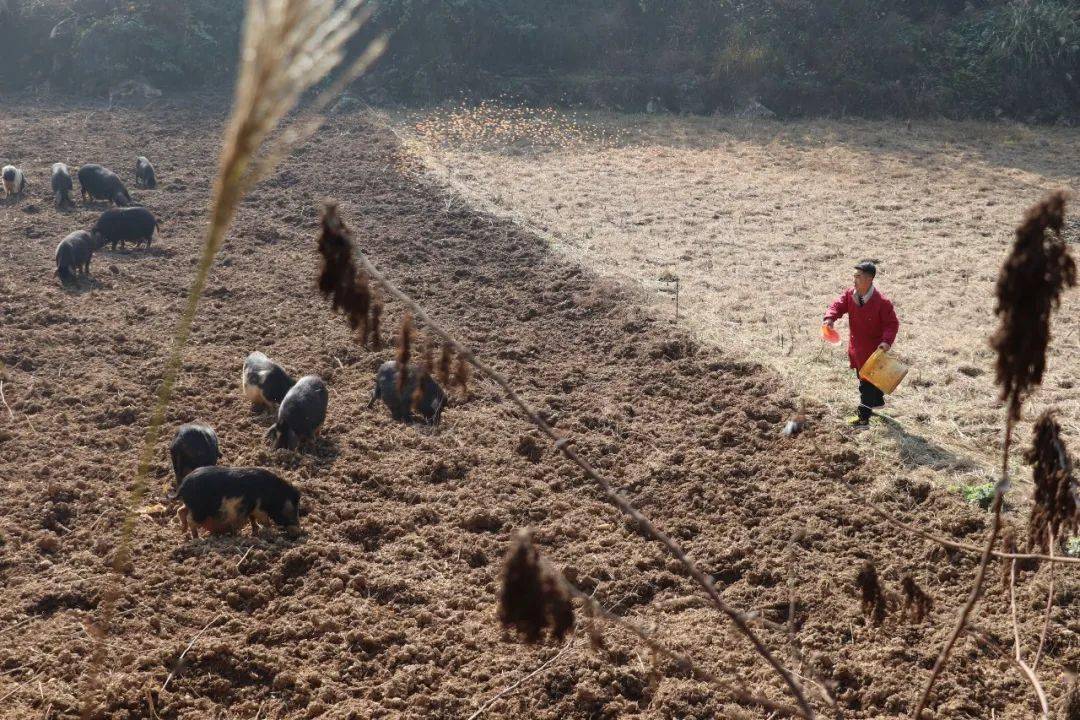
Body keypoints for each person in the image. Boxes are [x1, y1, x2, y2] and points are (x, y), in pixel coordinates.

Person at [823, 261, 899, 427]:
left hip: (874, 352)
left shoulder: (882, 303)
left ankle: (863, 419)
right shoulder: (851, 294)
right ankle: (877, 401)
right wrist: (830, 318)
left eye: (858, 276)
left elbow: (891, 324)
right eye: (854, 276)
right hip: (857, 348)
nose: (854, 280)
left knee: (865, 385)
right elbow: (838, 305)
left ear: (870, 279)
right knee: (867, 380)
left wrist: (886, 342)